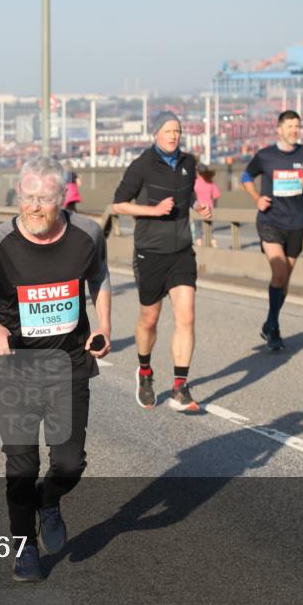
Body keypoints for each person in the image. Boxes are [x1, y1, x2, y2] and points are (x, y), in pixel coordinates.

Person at [0, 157, 111, 582]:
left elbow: (99, 278)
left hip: (70, 363)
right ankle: (24, 546)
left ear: (63, 198)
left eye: (44, 198)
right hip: (14, 368)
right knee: (20, 465)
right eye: (27, 197)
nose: (35, 207)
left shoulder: (87, 234)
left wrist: (104, 324)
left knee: (69, 463)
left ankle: (48, 500)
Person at [111, 111, 212, 412]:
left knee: (187, 318)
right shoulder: (142, 165)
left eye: (177, 131)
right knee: (150, 320)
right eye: (167, 130)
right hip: (150, 252)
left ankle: (180, 387)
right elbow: (118, 204)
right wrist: (152, 211)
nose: (173, 136)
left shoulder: (188, 163)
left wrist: (198, 205)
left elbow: (188, 190)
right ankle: (144, 372)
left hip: (181, 250)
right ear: (155, 133)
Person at [241, 110, 303, 351]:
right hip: (270, 221)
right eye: (289, 126)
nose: (294, 130)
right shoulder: (266, 155)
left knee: (284, 279)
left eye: (297, 126)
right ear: (279, 129)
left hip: (296, 224)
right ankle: (273, 325)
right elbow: (246, 175)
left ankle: (271, 323)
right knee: (279, 272)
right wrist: (256, 198)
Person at [192, 163, 221, 245]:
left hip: (198, 209)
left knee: (198, 230)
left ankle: (200, 247)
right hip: (209, 209)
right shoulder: (210, 183)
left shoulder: (194, 183)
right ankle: (214, 245)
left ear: (197, 172)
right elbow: (216, 195)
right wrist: (213, 207)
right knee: (210, 230)